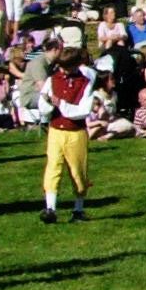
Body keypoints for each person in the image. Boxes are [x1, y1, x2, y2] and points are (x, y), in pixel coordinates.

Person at [42, 42, 93, 222]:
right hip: (56, 129)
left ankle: (78, 209)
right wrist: (48, 103)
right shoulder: (52, 79)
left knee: (77, 171)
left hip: (75, 132)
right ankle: (50, 208)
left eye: (66, 68)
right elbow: (43, 103)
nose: (61, 71)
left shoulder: (85, 83)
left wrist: (61, 104)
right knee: (53, 166)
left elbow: (83, 110)